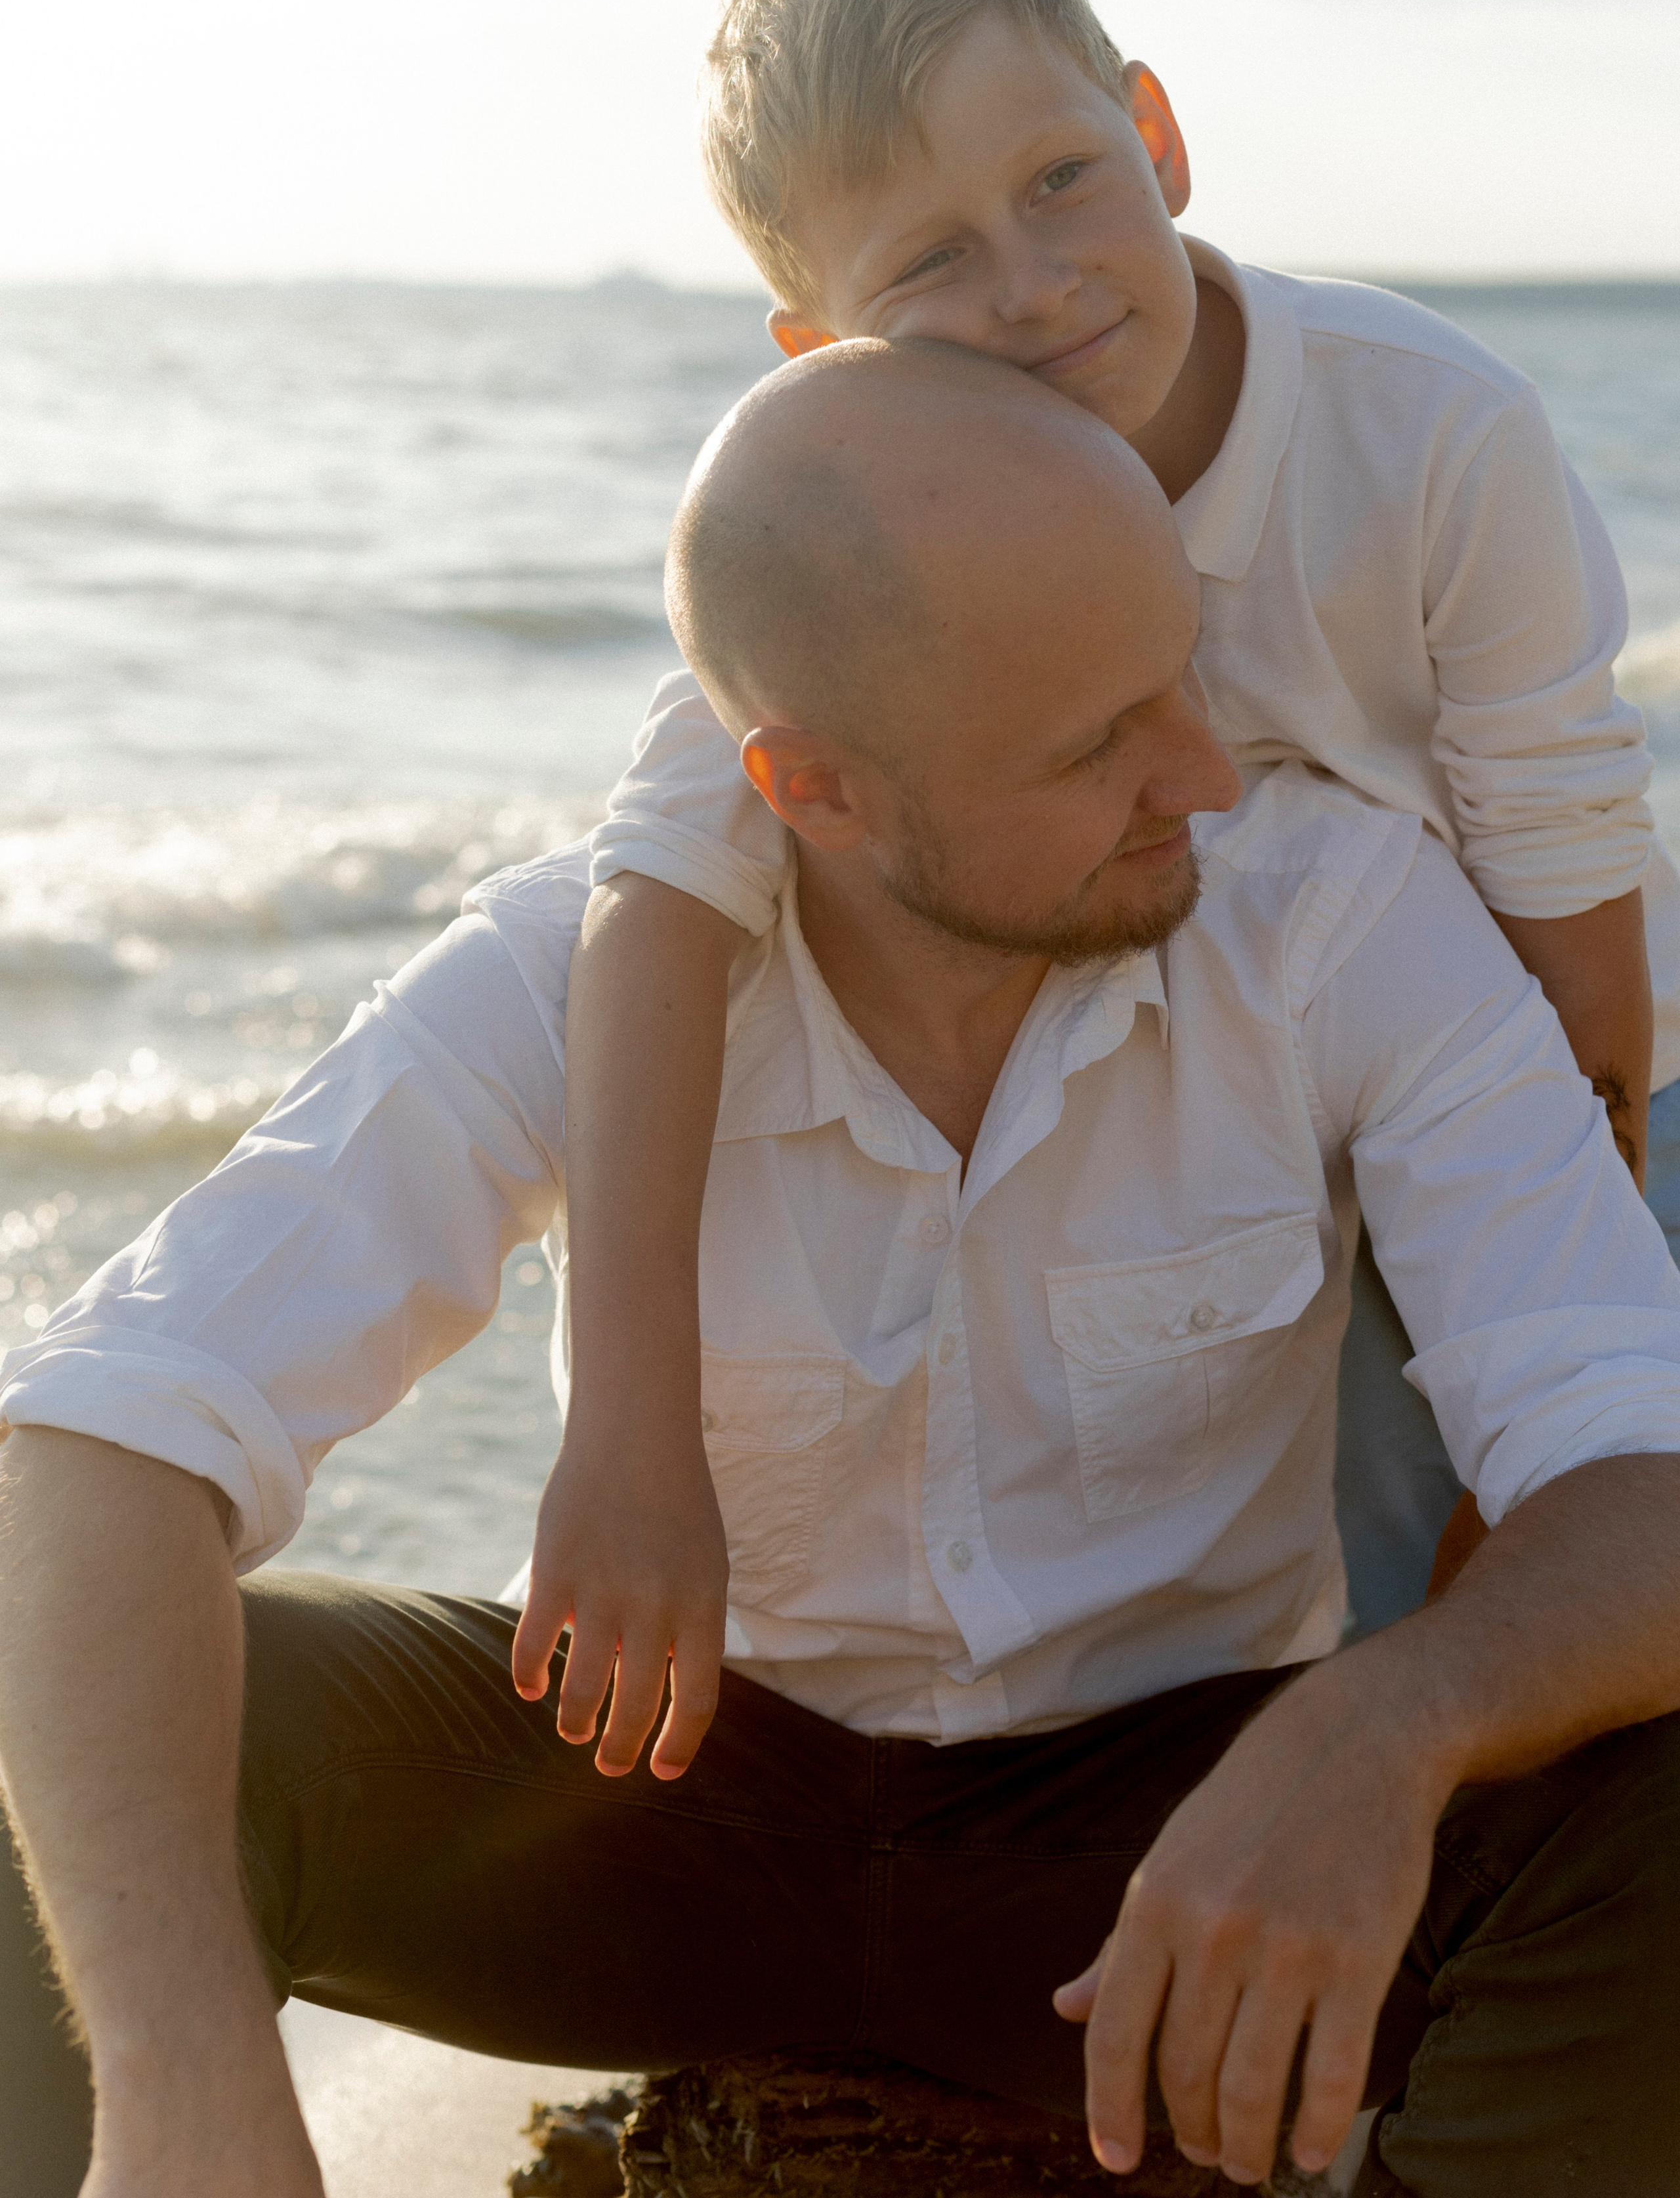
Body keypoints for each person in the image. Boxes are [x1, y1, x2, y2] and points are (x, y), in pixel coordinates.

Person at [5, 341, 1680, 2198]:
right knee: (71, 1707)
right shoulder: (567, 970)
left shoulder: (1333, 913)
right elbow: (93, 1439)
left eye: (1180, 671)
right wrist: (183, 2075)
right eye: (1092, 741)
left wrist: (1392, 1716)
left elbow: (1648, 1468)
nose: (1201, 767)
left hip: (1152, 1836)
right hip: (656, 1797)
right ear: (819, 792)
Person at [552, 0, 1679, 1710]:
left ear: (1156, 132)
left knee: (1549, 1607)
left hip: (1563, 1080)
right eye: (927, 260)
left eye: (1066, 178)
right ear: (820, 347)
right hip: (1235, 1113)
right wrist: (629, 1427)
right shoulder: (883, 539)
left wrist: (1532, 1397)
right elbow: (664, 882)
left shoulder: (1432, 434)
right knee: (1295, 1619)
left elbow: (1570, 896)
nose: (1032, 280)